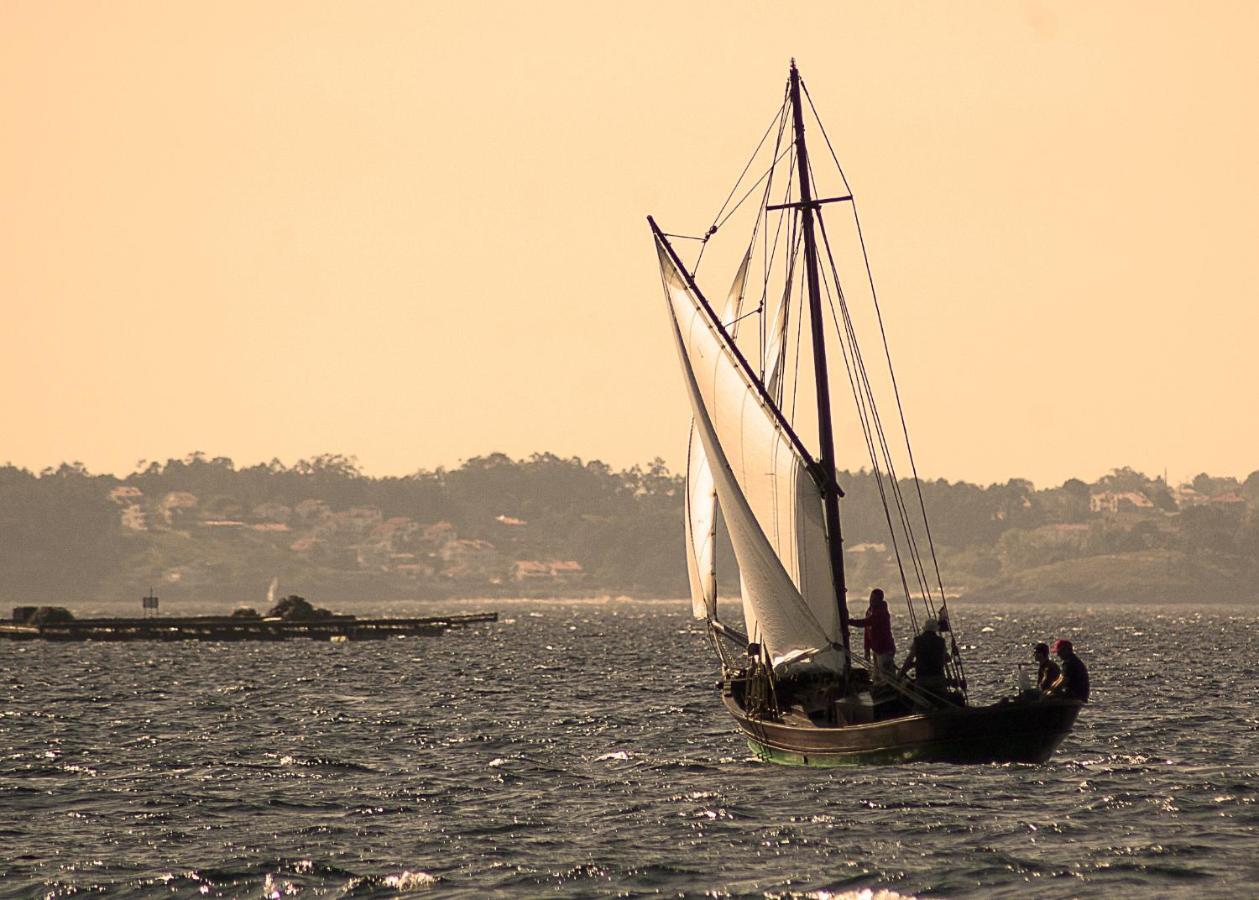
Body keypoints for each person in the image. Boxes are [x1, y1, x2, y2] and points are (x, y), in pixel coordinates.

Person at [850, 588, 895, 683]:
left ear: (880, 600)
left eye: (874, 599)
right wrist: (866, 649)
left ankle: (888, 690)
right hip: (876, 649)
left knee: (886, 677)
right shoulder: (870, 611)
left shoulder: (881, 613)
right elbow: (867, 631)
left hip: (884, 649)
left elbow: (867, 622)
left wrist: (849, 622)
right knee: (877, 676)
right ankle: (879, 689)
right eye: (871, 598)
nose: (871, 601)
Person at [899, 617, 948, 697]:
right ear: (935, 629)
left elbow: (909, 659)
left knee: (918, 703)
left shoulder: (917, 641)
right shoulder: (941, 641)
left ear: (925, 629)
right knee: (944, 700)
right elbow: (945, 659)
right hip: (938, 678)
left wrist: (902, 673)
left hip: (922, 679)